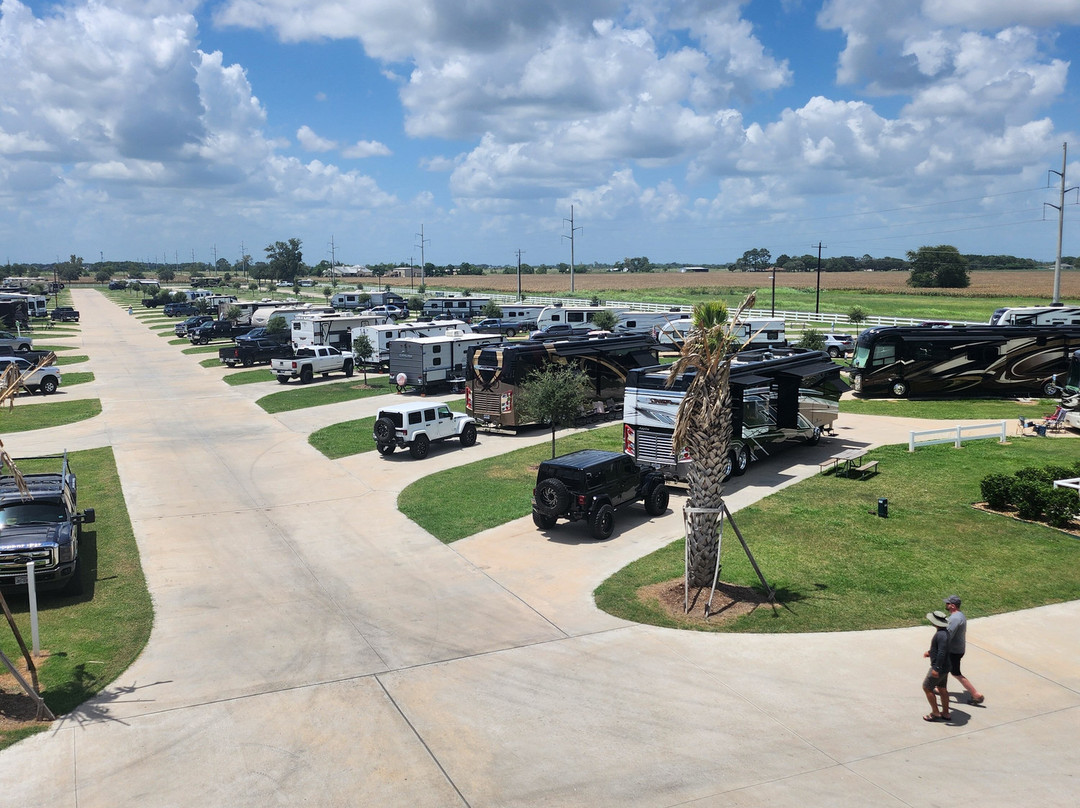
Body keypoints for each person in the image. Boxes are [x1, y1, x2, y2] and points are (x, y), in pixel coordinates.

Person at [944, 595, 985, 705]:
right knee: (945, 669)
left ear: (952, 606)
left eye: (947, 603)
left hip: (954, 651)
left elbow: (948, 635)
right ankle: (939, 688)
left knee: (955, 673)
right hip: (958, 649)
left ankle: (976, 695)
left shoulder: (955, 618)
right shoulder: (960, 615)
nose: (946, 605)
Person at [922, 610, 951, 721]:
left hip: (940, 668)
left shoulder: (941, 635)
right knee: (942, 688)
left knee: (927, 687)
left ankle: (935, 712)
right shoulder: (945, 633)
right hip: (946, 666)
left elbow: (942, 652)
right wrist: (930, 652)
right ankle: (946, 713)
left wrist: (936, 668)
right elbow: (940, 649)